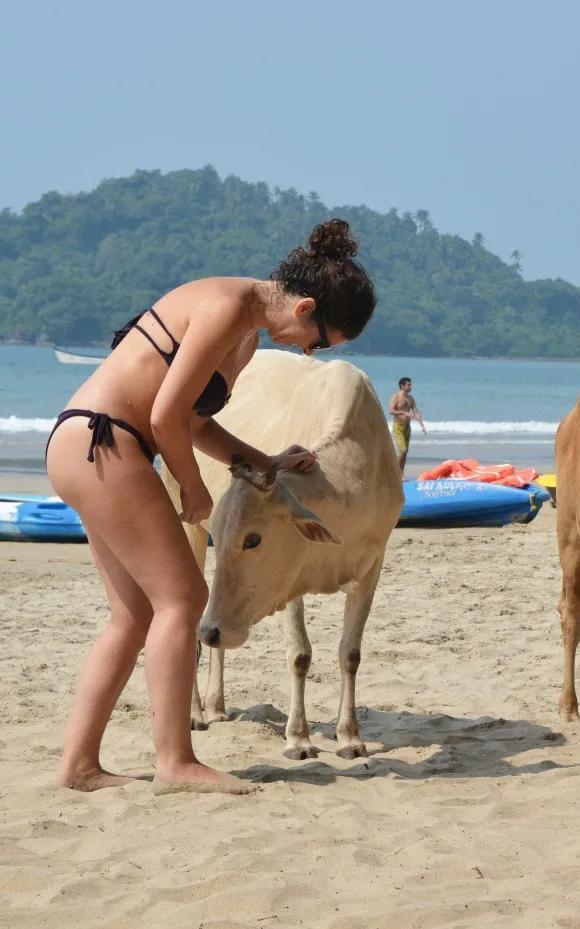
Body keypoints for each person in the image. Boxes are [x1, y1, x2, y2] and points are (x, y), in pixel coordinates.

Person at [45, 219, 377, 794]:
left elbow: (196, 422)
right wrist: (190, 486)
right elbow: (164, 417)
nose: (312, 353)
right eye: (322, 341)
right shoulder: (226, 307)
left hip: (91, 445)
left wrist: (263, 462)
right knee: (184, 597)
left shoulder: (244, 333)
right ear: (304, 309)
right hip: (106, 439)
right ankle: (175, 762)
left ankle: (79, 766)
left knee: (134, 615)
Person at [388, 376, 426, 477]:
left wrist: (421, 425)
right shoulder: (396, 396)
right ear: (402, 386)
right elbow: (391, 411)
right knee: (403, 449)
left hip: (407, 428)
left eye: (410, 385)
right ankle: (394, 471)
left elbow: (416, 412)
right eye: (408, 385)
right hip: (398, 427)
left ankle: (401, 474)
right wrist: (404, 413)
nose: (411, 387)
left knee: (405, 453)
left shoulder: (410, 399)